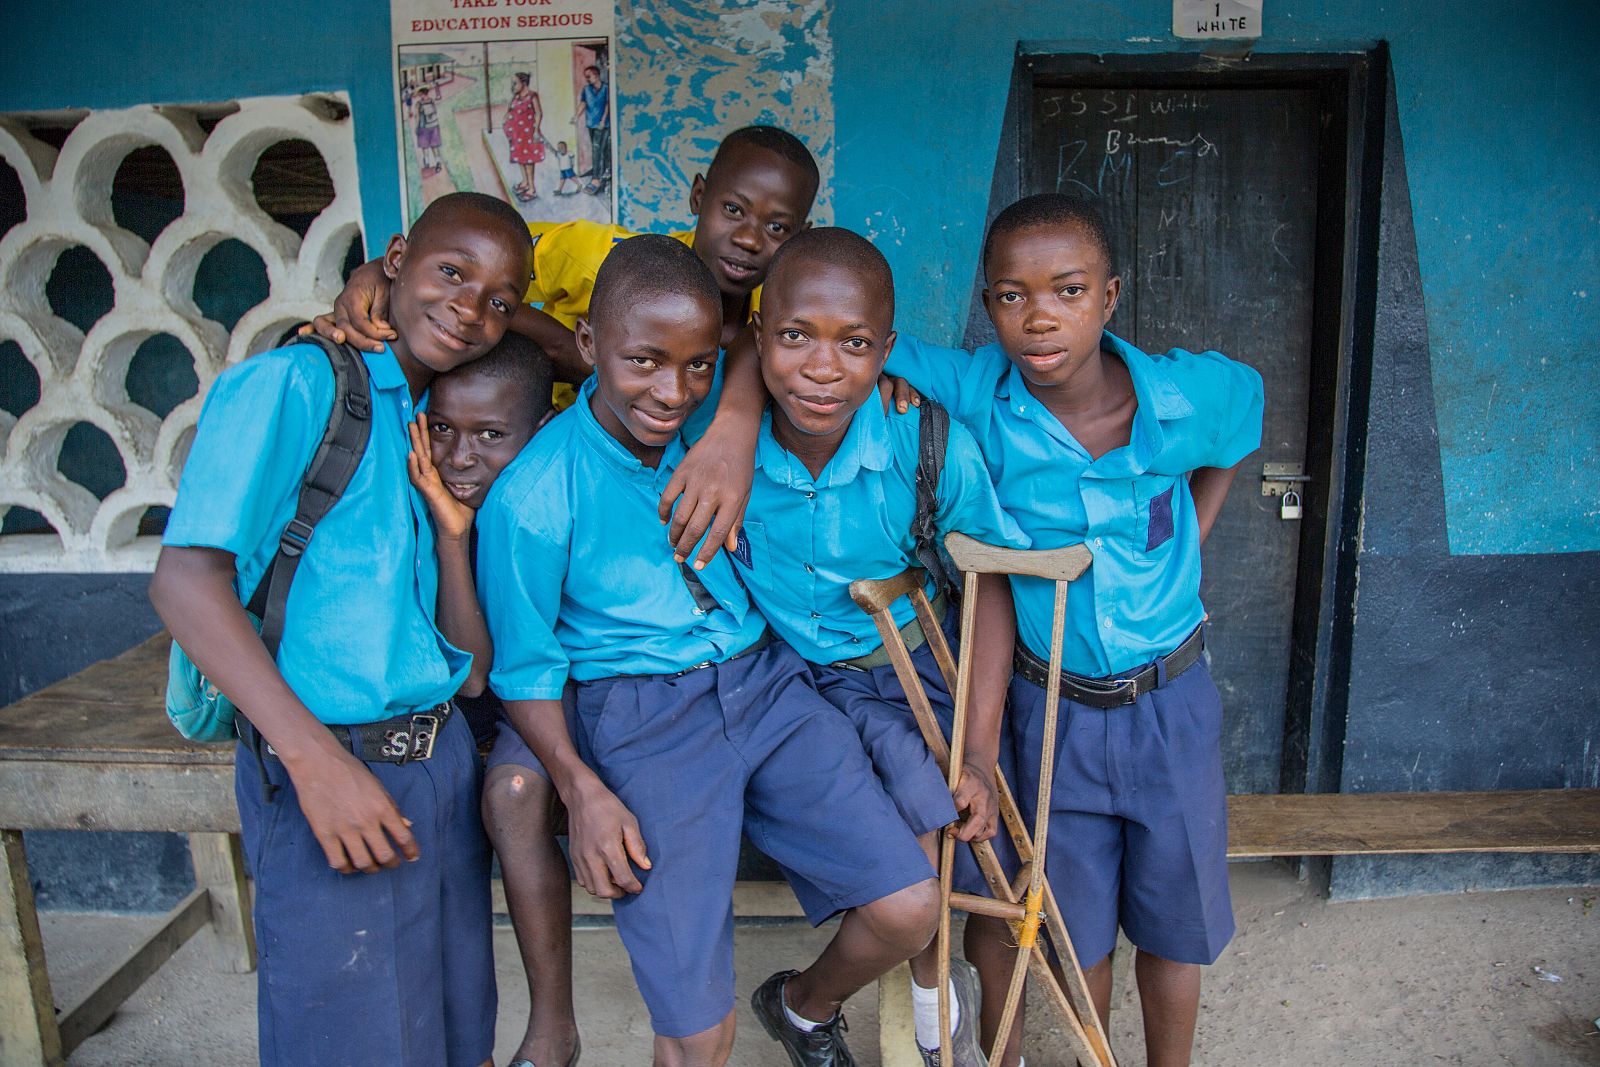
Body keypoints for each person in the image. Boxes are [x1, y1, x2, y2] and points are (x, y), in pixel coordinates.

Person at [477, 234, 939, 1067]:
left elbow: (771, 353)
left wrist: (729, 415)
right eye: (645, 361)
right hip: (643, 715)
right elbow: (523, 667)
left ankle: (801, 1005)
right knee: (697, 1033)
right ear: (587, 347)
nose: (672, 389)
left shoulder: (716, 418)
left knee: (909, 906)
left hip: (767, 682)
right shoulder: (535, 498)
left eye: (695, 366)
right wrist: (581, 791)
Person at [149, 192, 536, 1067]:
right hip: (328, 764)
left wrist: (451, 533)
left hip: (435, 768)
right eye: (450, 272)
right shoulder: (297, 383)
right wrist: (314, 762)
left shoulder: (422, 418)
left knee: (449, 1032)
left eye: (500, 299)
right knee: (353, 1041)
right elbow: (184, 580)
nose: (472, 309)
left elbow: (464, 665)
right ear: (394, 259)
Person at [883, 193, 1264, 1067]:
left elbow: (1244, 413)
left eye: (1067, 290)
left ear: (1110, 296)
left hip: (1170, 700)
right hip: (1050, 708)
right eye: (1011, 296)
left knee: (1175, 925)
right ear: (988, 307)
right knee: (1072, 923)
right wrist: (883, 372)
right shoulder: (982, 388)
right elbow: (850, 339)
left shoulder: (1181, 395)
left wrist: (1195, 533)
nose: (1039, 316)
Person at [714, 226, 1031, 1066]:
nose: (823, 369)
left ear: (885, 350)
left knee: (948, 817)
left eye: (854, 344)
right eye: (794, 337)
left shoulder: (922, 444)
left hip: (907, 668)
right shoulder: (717, 445)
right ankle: (900, 1015)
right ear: (757, 337)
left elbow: (991, 580)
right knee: (905, 866)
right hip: (790, 684)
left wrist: (980, 744)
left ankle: (926, 1014)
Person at [400, 335, 575, 1067]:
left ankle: (551, 1026)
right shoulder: (424, 501)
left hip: (549, 701)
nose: (459, 455)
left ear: (536, 433)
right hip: (474, 703)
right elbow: (471, 674)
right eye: (442, 428)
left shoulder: (554, 491)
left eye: (488, 435)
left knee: (509, 791)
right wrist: (451, 539)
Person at [504, 72, 545, 202]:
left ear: (524, 83)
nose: (513, 86)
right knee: (520, 159)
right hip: (517, 134)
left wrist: (536, 130)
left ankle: (532, 189)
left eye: (515, 83)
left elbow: (538, 113)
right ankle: (525, 182)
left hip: (528, 133)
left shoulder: (532, 96)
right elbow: (510, 111)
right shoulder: (516, 97)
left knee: (528, 161)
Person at [577, 64, 609, 195]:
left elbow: (608, 104)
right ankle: (603, 171)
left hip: (603, 125)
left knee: (598, 149)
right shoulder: (586, 89)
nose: (587, 79)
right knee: (598, 149)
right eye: (585, 77)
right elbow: (583, 103)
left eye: (588, 76)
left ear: (596, 75)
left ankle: (596, 179)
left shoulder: (606, 88)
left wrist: (603, 120)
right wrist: (576, 116)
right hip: (591, 124)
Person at [415, 85, 442, 175]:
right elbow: (435, 111)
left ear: (422, 94)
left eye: (420, 94)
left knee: (425, 146)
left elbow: (417, 116)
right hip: (434, 125)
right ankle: (438, 162)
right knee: (434, 146)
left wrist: (416, 127)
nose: (419, 96)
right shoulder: (432, 100)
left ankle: (427, 162)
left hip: (424, 127)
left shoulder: (418, 104)